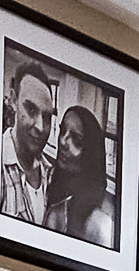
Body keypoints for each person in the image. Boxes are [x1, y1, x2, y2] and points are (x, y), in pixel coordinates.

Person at [43, 104, 116, 246]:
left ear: (90, 154)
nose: (63, 141)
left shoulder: (100, 223)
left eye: (76, 140)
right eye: (62, 131)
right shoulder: (46, 178)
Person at [0, 64, 56, 226]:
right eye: (30, 109)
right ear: (13, 101)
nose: (40, 127)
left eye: (47, 117)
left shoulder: (52, 175)